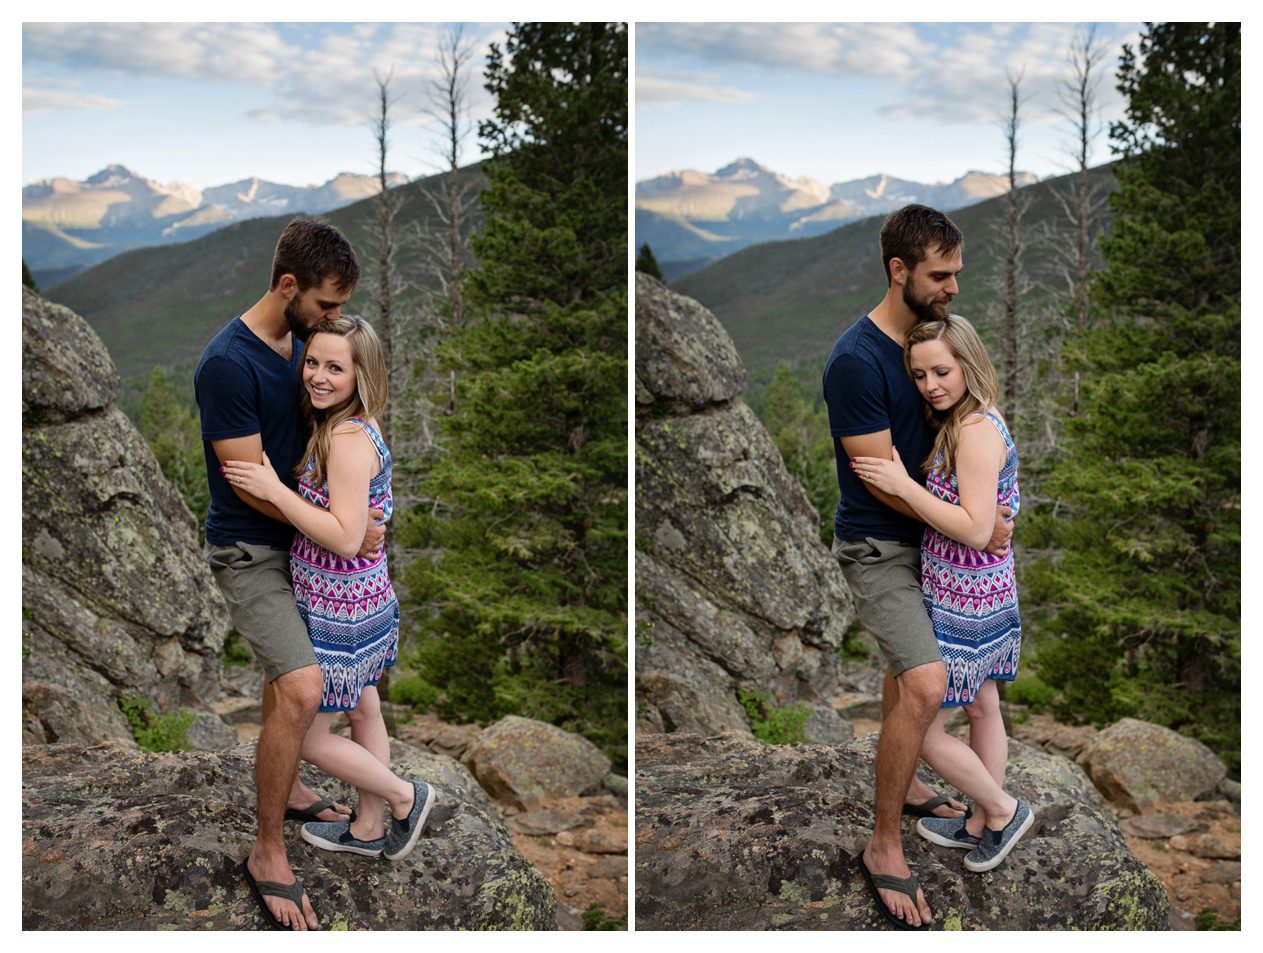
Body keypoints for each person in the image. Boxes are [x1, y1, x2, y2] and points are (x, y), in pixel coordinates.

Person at [822, 205, 1012, 930]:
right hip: (880, 544)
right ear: (898, 271)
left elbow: (969, 440)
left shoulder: (934, 346)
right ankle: (883, 842)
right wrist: (973, 525)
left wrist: (990, 512)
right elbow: (881, 478)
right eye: (940, 274)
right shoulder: (855, 360)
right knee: (928, 683)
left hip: (937, 544)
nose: (952, 286)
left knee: (912, 677)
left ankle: (902, 790)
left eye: (956, 272)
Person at [196, 216, 381, 930]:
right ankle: (267, 851)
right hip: (251, 548)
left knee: (298, 686)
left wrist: (359, 515)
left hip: (307, 544)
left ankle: (294, 788)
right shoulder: (226, 363)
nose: (333, 321)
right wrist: (341, 529)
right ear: (287, 286)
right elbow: (251, 481)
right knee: (303, 687)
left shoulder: (308, 345)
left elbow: (339, 433)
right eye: (326, 304)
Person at [221, 316, 435, 869]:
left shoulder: (344, 438)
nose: (317, 376)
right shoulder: (356, 425)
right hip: (364, 597)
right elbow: (354, 523)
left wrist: (273, 489)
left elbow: (343, 537)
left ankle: (405, 797)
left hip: (337, 606)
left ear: (362, 375)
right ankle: (367, 828)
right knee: (365, 710)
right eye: (311, 362)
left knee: (312, 741)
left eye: (335, 367)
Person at [851, 315, 1033, 874]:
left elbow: (977, 528)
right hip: (980, 586)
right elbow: (990, 521)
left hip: (965, 596)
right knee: (983, 705)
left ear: (970, 365)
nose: (931, 384)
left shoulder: (975, 430)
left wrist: (904, 485)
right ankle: (979, 821)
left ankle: (1003, 809)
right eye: (920, 373)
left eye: (943, 370)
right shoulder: (970, 421)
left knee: (926, 734)